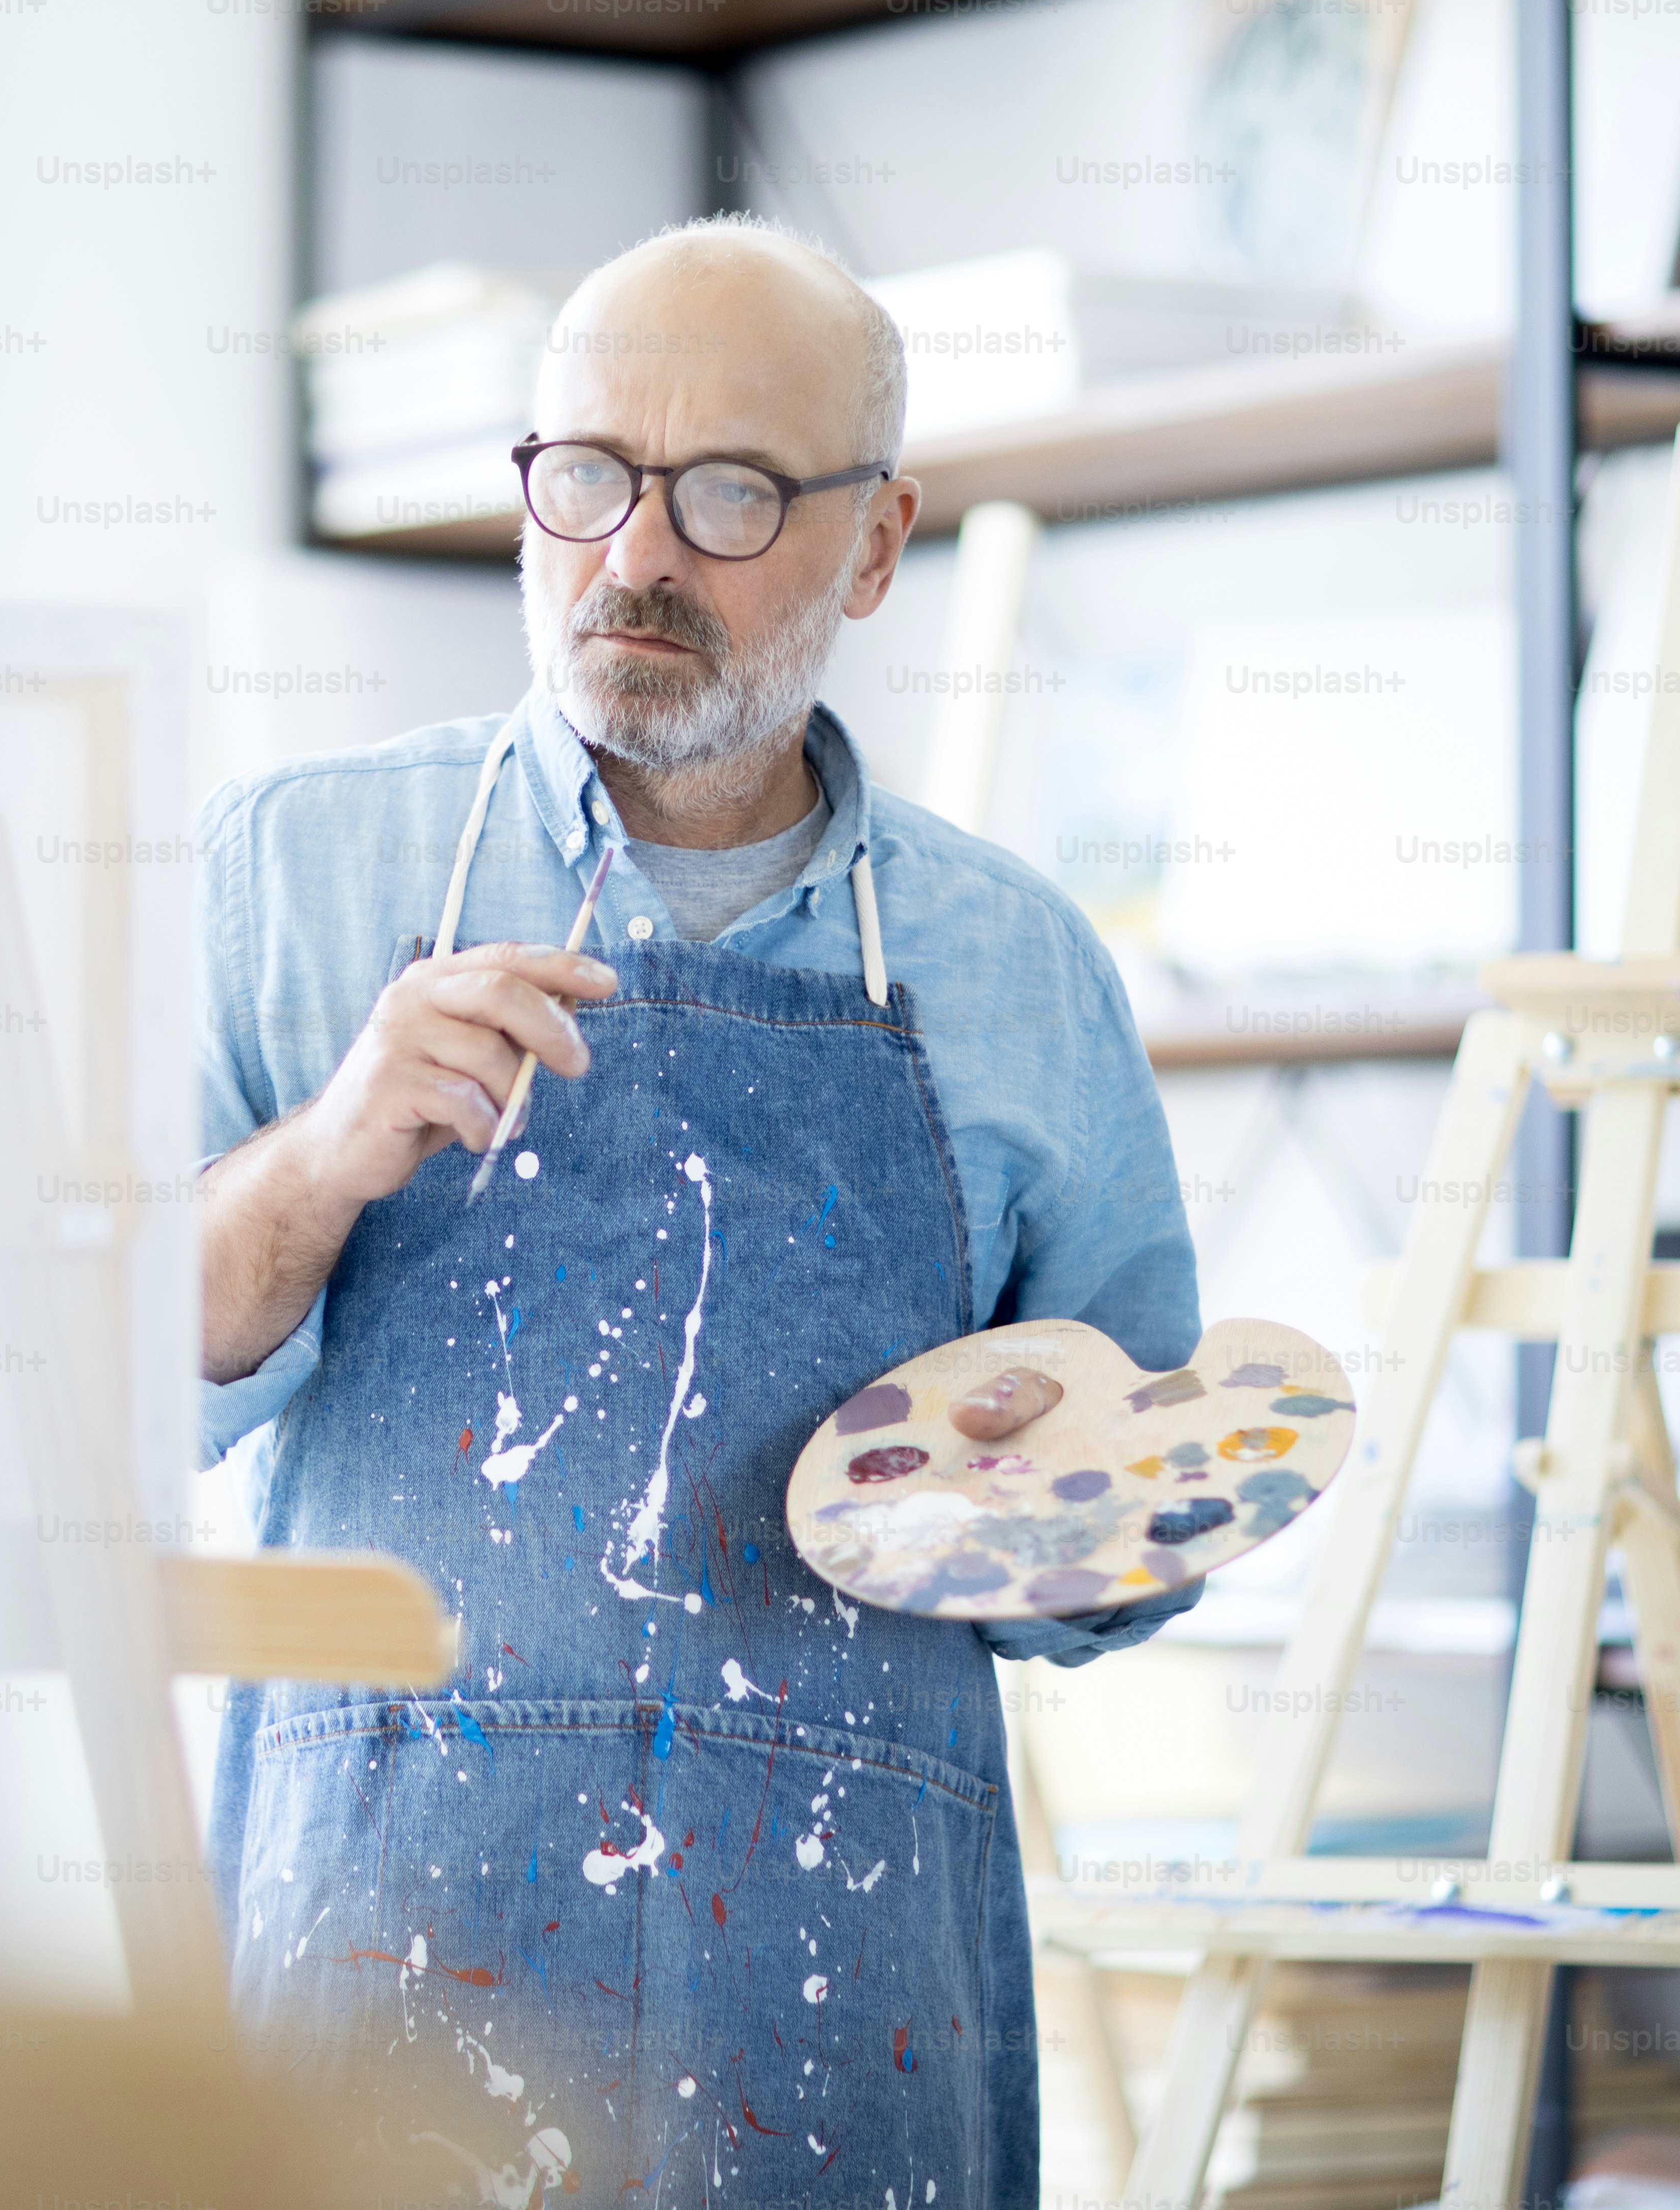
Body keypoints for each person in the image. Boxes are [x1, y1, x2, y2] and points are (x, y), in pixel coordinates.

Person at [194, 215, 1203, 2207]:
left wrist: (1043, 1502)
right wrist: (322, 1159)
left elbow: (1136, 1542)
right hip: (389, 1987)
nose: (635, 556)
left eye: (731, 493)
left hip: (840, 2016)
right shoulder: (298, 869)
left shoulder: (1020, 973)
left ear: (879, 540)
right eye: (584, 475)